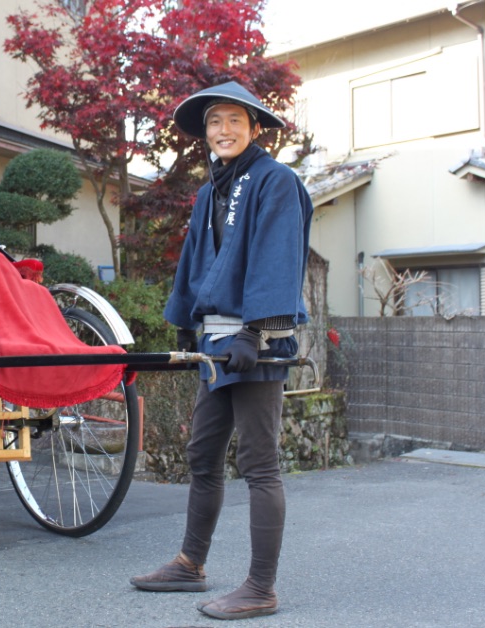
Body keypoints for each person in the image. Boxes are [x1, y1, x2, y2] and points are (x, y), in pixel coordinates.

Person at [129, 81, 313, 621]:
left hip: (256, 343)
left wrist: (255, 334)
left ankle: (261, 586)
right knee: (202, 454)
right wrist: (187, 324)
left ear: (256, 128)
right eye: (214, 122)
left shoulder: (276, 181)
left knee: (259, 463)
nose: (224, 131)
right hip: (215, 342)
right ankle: (191, 563)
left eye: (235, 120)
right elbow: (195, 259)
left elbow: (278, 258)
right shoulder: (212, 189)